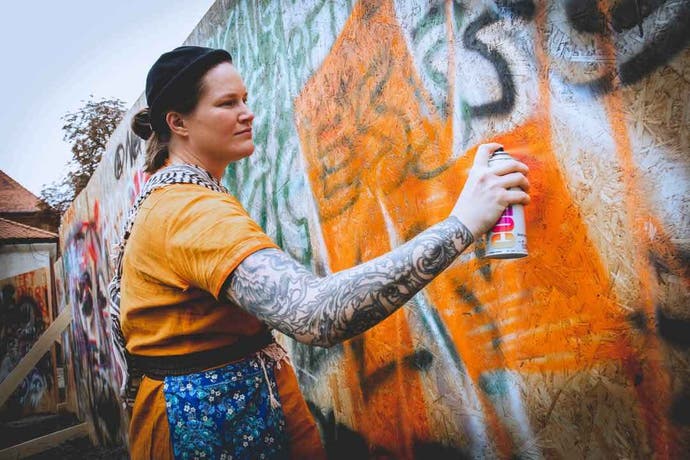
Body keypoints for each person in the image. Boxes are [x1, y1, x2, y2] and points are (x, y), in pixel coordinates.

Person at [116, 46, 530, 460]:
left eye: (245, 99)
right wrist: (463, 224)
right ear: (178, 122)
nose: (247, 113)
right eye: (227, 103)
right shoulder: (188, 211)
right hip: (213, 435)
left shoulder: (175, 196)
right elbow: (315, 314)